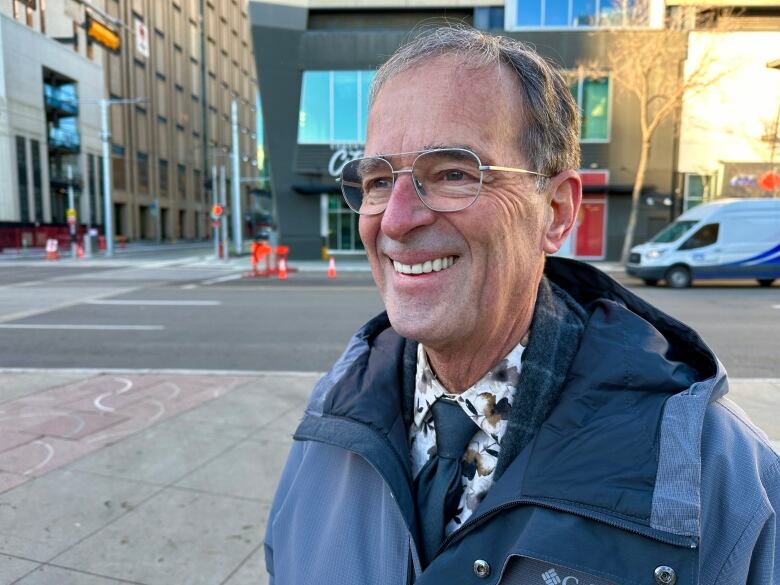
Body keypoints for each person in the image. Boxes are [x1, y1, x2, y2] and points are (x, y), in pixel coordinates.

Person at [264, 27, 779, 585]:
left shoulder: (719, 474)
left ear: (556, 211)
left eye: (454, 173)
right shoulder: (331, 418)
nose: (395, 219)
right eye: (379, 180)